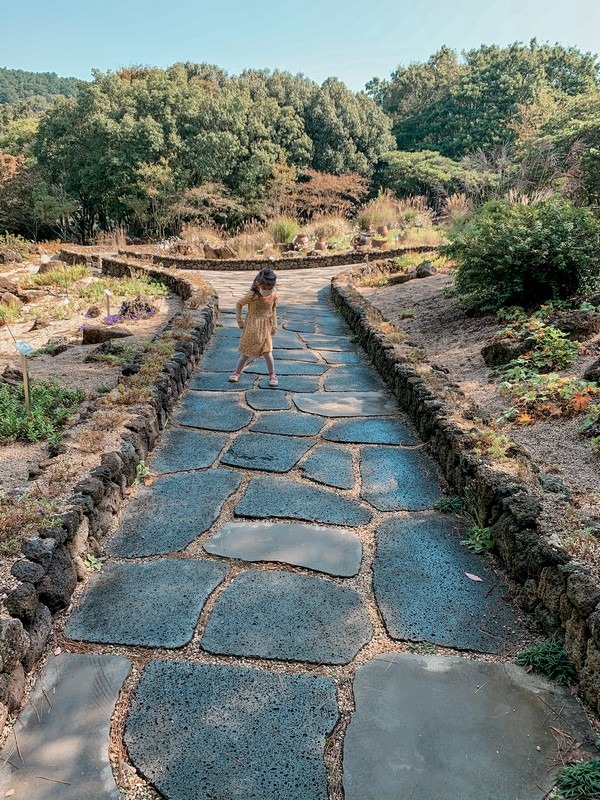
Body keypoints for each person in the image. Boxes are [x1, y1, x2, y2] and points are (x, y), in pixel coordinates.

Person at [229, 268, 278, 386]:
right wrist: (239, 320)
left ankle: (272, 375)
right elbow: (239, 304)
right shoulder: (252, 296)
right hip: (252, 327)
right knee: (246, 353)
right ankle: (236, 372)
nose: (267, 291)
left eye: (269, 288)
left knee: (268, 352)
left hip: (265, 328)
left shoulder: (273, 295)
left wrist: (274, 324)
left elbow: (273, 310)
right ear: (258, 284)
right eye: (264, 288)